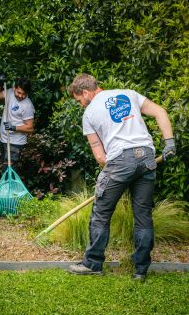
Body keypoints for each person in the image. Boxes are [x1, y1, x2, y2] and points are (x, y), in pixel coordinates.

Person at [67, 74, 176, 281]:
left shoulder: (89, 113)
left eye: (79, 100)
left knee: (101, 212)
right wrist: (169, 142)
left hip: (120, 159)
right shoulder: (129, 94)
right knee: (143, 215)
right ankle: (140, 270)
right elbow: (160, 111)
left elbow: (100, 156)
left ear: (86, 93)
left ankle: (92, 264)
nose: (81, 104)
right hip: (147, 156)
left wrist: (115, 172)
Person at [0, 75, 35, 172]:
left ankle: (11, 187)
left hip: (15, 143)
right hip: (4, 139)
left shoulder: (27, 105)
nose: (20, 96)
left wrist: (13, 127)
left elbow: (30, 128)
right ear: (14, 88)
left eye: (24, 94)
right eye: (18, 92)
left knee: (9, 171)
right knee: (6, 170)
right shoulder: (10, 93)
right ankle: (9, 187)